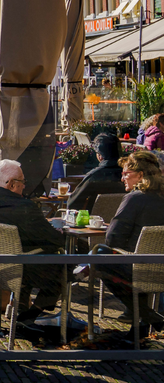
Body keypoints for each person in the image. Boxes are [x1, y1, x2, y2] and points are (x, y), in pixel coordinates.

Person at [0, 159, 66, 333]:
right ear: (12, 184)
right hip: (15, 271)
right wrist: (61, 232)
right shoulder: (24, 207)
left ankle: (21, 311)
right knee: (63, 265)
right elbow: (53, 239)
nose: (24, 187)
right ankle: (28, 316)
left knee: (27, 255)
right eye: (22, 182)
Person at [95, 150, 164, 334]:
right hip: (161, 266)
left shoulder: (135, 198)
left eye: (126, 173)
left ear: (140, 175)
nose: (122, 178)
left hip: (139, 268)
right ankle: (140, 330)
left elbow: (112, 238)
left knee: (99, 256)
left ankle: (150, 317)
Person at [65, 133, 125, 212]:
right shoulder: (128, 175)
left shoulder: (94, 176)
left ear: (100, 156)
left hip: (94, 221)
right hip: (124, 219)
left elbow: (73, 203)